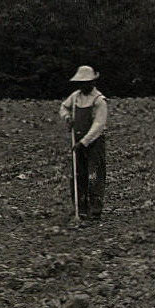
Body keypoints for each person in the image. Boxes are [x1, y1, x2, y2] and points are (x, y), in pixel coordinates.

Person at [59, 65, 108, 222]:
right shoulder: (75, 97)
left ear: (93, 82)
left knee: (94, 176)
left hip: (93, 143)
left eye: (86, 82)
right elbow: (63, 107)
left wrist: (84, 142)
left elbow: (98, 125)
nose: (82, 86)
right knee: (78, 175)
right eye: (80, 83)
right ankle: (81, 208)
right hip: (77, 141)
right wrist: (67, 118)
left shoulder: (99, 100)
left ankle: (95, 210)